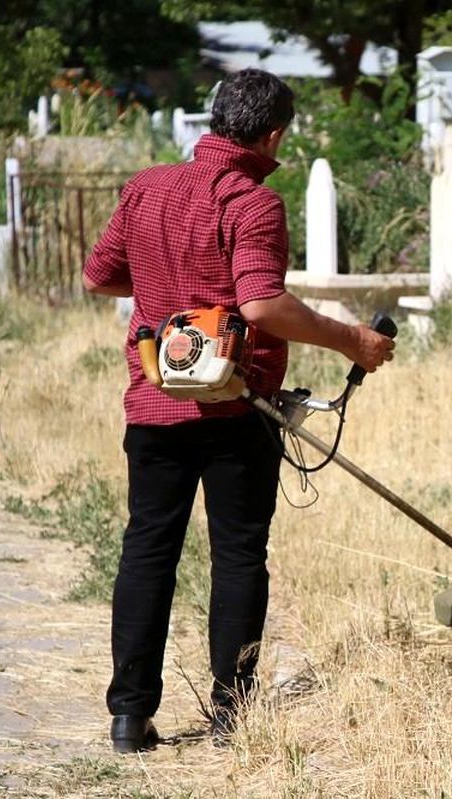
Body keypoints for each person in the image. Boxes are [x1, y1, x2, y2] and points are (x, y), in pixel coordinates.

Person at [82, 68, 394, 753]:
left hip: (155, 403)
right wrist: (353, 340)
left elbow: (99, 275)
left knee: (147, 551)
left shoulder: (145, 187)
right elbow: (260, 306)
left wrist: (168, 288)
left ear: (215, 119)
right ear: (274, 133)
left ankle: (129, 717)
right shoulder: (254, 201)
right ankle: (230, 715)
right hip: (237, 407)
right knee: (239, 556)